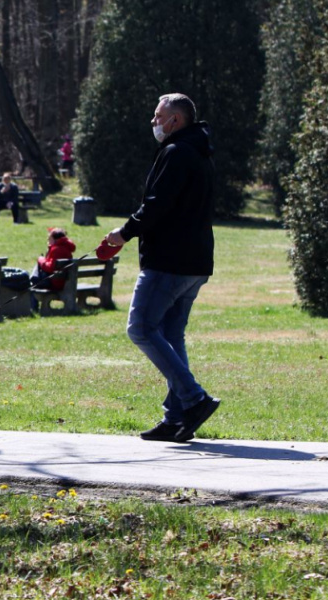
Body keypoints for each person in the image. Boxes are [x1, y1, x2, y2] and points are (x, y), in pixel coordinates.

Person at [102, 93, 219, 443]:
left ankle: (194, 399)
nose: (154, 122)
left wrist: (123, 233)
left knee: (140, 327)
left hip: (169, 261)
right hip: (196, 261)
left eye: (158, 116)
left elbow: (156, 206)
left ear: (176, 121)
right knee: (170, 335)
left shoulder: (176, 153)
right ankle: (176, 416)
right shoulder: (199, 152)